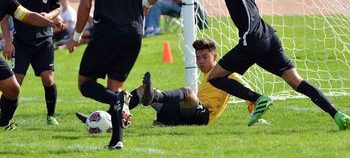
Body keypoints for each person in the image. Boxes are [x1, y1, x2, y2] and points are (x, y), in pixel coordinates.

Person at [170, 0, 350, 130]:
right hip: (269, 37)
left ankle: (257, 99)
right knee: (296, 82)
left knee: (214, 77)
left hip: (252, 40)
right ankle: (337, 114)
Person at [65, 0, 163, 150]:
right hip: (134, 31)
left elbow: (86, 3)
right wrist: (145, 4)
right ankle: (117, 139)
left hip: (108, 30)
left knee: (86, 83)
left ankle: (120, 101)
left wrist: (76, 35)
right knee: (114, 86)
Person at [76, 39, 267, 127]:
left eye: (205, 57)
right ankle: (105, 119)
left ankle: (156, 97)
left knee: (187, 91)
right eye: (198, 57)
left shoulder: (228, 76)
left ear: (215, 56)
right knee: (142, 90)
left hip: (203, 117)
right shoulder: (207, 73)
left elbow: (246, 95)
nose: (200, 61)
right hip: (184, 114)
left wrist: (257, 118)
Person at [1, 0, 61, 126]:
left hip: (44, 41)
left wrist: (49, 19)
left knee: (48, 79)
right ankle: (5, 117)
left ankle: (51, 115)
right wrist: (8, 42)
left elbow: (56, 8)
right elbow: (5, 18)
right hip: (21, 43)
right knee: (14, 83)